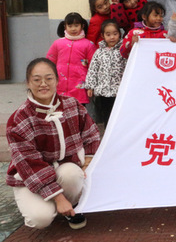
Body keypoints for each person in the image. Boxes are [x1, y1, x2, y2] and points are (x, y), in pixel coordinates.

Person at [5, 58, 100, 230]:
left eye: (49, 78)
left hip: (65, 170)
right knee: (40, 218)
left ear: (57, 80)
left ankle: (72, 205)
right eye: (37, 79)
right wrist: (58, 197)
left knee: (72, 174)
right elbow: (29, 164)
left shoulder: (72, 104)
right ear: (28, 82)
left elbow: (91, 134)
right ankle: (54, 202)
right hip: (31, 177)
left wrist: (87, 162)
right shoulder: (19, 119)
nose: (43, 84)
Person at [46, 12, 97, 105]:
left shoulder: (89, 45)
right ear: (65, 27)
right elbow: (49, 63)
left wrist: (91, 86)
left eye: (76, 25)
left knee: (79, 109)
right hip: (60, 83)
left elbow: (94, 67)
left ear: (82, 26)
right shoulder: (58, 43)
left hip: (80, 85)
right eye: (70, 26)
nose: (73, 29)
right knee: (59, 109)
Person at [84, 19, 127, 126]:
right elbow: (93, 69)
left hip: (119, 91)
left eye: (115, 34)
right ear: (103, 36)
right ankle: (107, 132)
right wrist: (90, 86)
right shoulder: (99, 52)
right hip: (103, 91)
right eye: (108, 34)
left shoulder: (123, 51)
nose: (112, 37)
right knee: (106, 116)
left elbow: (128, 68)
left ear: (120, 34)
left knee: (119, 116)